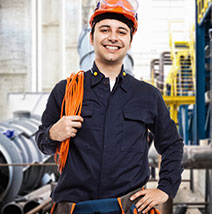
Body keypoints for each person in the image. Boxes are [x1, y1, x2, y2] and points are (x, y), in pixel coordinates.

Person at [35, 0, 184, 214]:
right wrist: (52, 134)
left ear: (129, 42)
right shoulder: (65, 90)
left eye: (121, 32)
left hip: (126, 208)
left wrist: (165, 189)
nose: (113, 37)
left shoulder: (147, 95)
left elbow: (172, 145)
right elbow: (42, 142)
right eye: (105, 30)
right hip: (74, 209)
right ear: (91, 37)